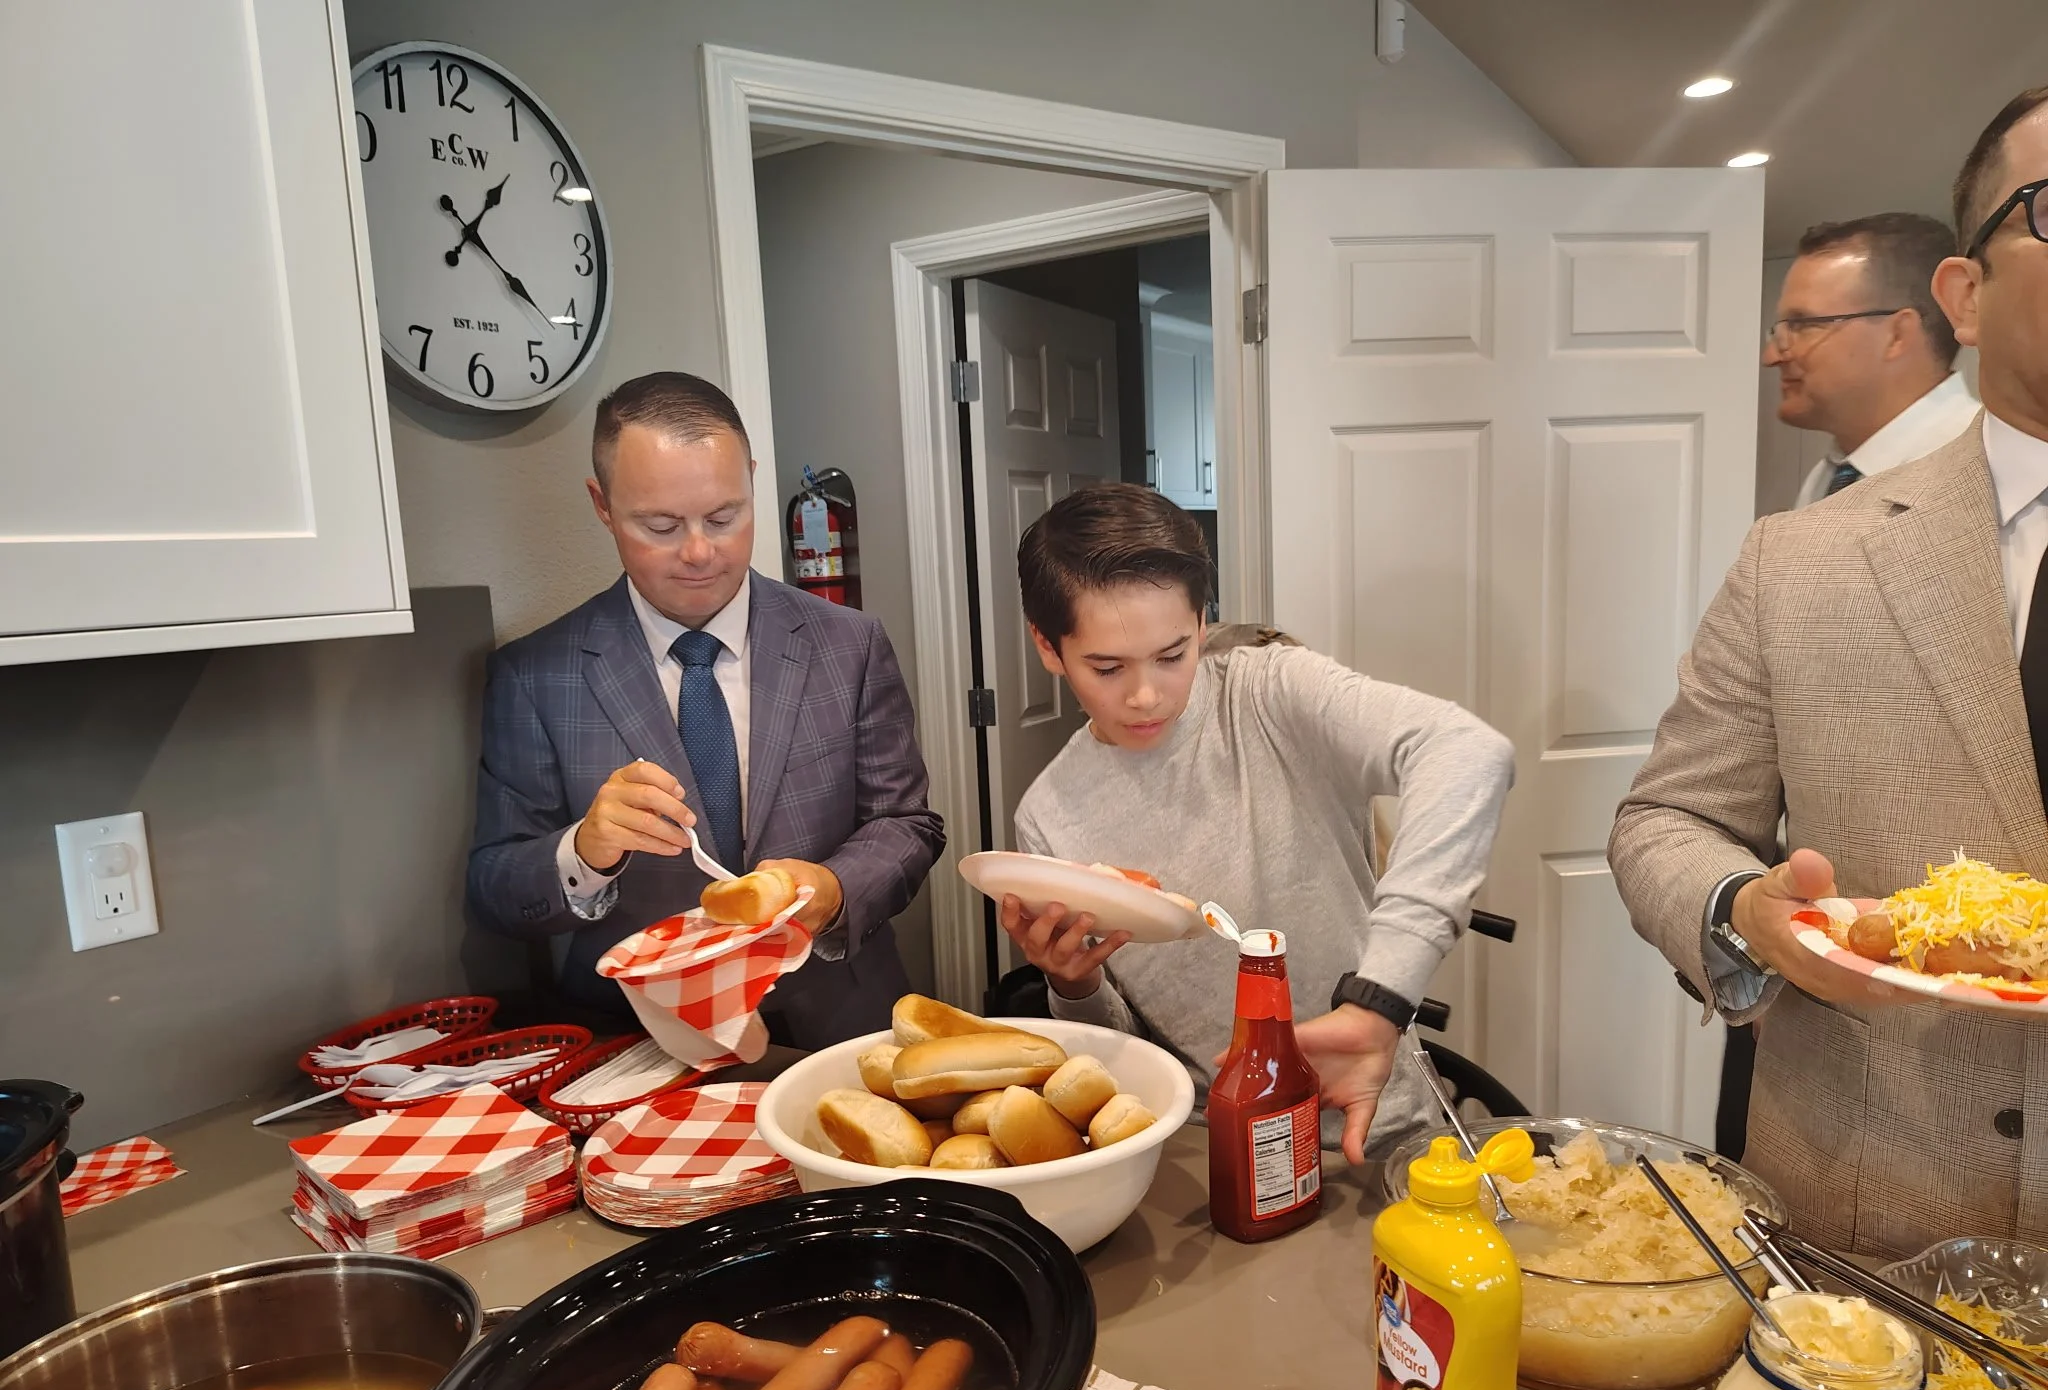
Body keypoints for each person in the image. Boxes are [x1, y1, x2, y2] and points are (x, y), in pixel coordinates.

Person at [1609, 86, 2048, 1253]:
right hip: (1868, 1226)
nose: (1773, 350)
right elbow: (1664, 820)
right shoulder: (1801, 553)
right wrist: (1744, 910)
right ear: (1963, 292)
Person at [998, 484, 1515, 1162]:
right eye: (1107, 667)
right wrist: (1074, 983)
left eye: (1172, 654)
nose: (1147, 693)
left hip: (1380, 1126)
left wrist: (1380, 999)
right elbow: (1125, 1050)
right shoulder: (1049, 815)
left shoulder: (1268, 690)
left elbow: (1471, 751)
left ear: (1202, 622)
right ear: (1048, 646)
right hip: (1210, 1150)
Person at [465, 372, 944, 1047]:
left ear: (751, 480)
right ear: (602, 506)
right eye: (659, 525)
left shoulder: (849, 644)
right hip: (641, 1039)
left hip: (838, 1020)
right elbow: (493, 889)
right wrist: (586, 850)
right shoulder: (536, 675)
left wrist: (832, 889)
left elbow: (907, 823)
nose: (698, 551)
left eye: (724, 517)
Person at [1721, 214, 1982, 1156]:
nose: (1771, 351)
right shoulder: (1825, 491)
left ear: (1905, 327)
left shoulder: (1988, 495)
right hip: (1799, 978)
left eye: (1802, 325)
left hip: (1947, 1049)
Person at [1768, 212, 1981, 509]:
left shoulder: (1983, 471)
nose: (1772, 356)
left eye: (1803, 325)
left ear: (1897, 334)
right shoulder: (1832, 476)